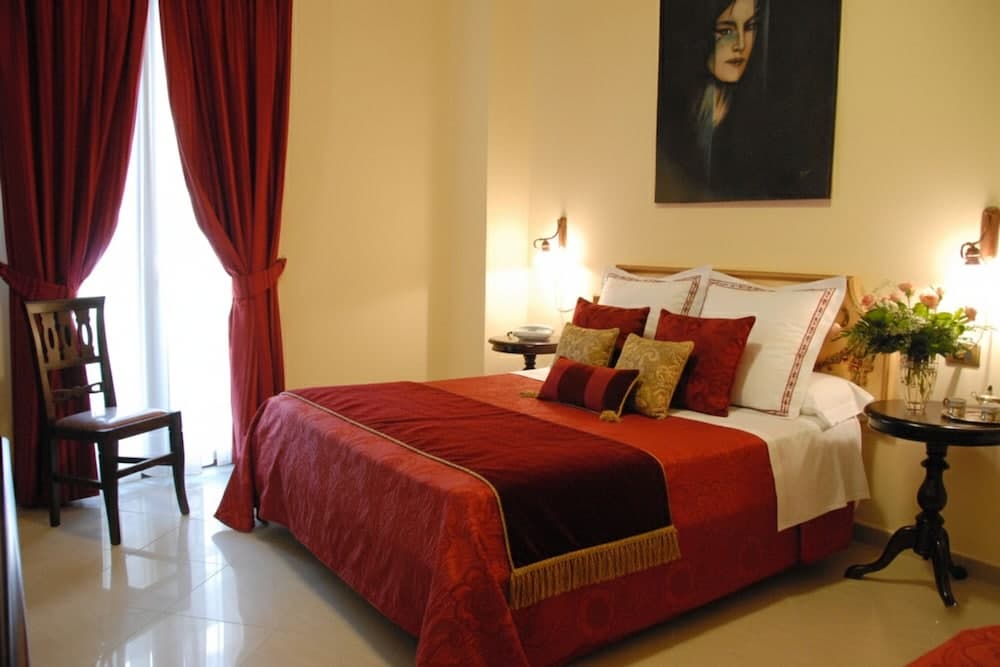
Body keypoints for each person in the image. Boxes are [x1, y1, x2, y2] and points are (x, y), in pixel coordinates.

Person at [655, 0, 770, 202]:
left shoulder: (761, 117)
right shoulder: (673, 115)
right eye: (726, 31)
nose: (741, 44)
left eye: (750, 27)